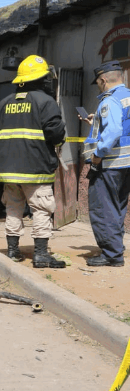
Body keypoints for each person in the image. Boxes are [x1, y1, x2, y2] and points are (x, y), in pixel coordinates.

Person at [0, 55, 66, 268]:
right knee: (41, 209)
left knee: (13, 208)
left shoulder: (3, 103)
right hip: (35, 169)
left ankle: (12, 251)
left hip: (7, 170)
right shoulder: (45, 102)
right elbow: (56, 133)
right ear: (41, 80)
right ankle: (40, 254)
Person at [79, 60, 130, 267]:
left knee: (103, 208)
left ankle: (112, 255)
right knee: (117, 207)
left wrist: (98, 155)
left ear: (103, 80)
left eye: (99, 83)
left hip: (110, 164)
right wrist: (95, 123)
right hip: (126, 164)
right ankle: (116, 247)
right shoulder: (127, 96)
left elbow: (115, 131)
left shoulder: (110, 101)